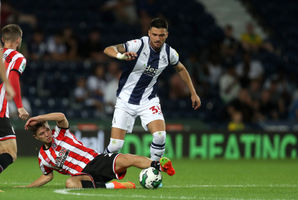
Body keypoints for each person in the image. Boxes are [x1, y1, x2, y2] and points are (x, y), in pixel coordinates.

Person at [103, 18, 201, 161]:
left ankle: (155, 170)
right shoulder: (138, 45)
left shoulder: (169, 53)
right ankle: (98, 169)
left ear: (166, 35)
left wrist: (193, 93)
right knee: (115, 146)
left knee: (160, 136)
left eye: (161, 35)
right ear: (149, 33)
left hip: (148, 100)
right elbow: (108, 49)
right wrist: (121, 56)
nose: (157, 38)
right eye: (154, 34)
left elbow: (180, 68)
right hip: (125, 100)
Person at [23, 112, 175, 189]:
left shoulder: (60, 133)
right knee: (70, 183)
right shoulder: (43, 157)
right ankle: (115, 186)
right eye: (42, 134)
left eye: (47, 130)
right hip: (84, 175)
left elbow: (61, 116)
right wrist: (27, 187)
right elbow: (47, 176)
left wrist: (38, 117)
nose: (47, 134)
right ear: (36, 138)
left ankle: (159, 166)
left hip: (97, 160)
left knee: (128, 158)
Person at [0, 24, 29, 174]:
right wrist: (19, 106)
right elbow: (12, 78)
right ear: (18, 40)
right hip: (0, 111)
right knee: (10, 153)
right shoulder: (18, 57)